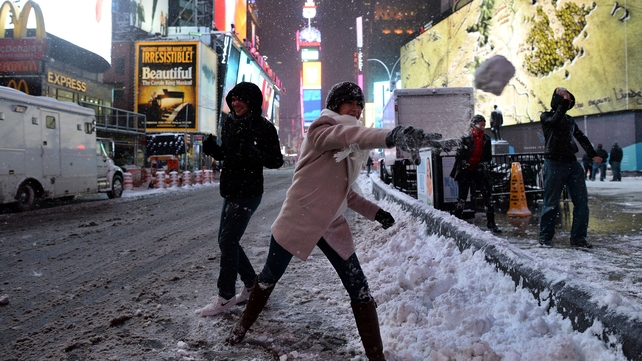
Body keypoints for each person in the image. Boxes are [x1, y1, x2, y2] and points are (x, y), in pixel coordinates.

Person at [226, 81, 444, 360]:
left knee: (359, 288)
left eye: (359, 105)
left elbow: (344, 191)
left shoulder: (349, 149)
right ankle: (241, 327)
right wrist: (392, 136)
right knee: (268, 277)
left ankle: (376, 356)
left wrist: (376, 212)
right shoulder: (322, 130)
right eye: (349, 103)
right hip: (299, 219)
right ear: (335, 105)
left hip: (331, 224)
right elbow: (347, 134)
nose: (355, 109)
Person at [196, 82, 284, 316]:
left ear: (252, 102)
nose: (235, 103)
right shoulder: (229, 123)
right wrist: (214, 150)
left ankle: (225, 296)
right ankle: (250, 285)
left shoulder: (263, 127)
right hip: (230, 189)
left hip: (249, 191)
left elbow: (276, 160)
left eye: (240, 99)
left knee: (228, 240)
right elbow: (228, 154)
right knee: (226, 240)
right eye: (233, 99)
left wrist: (255, 154)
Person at [539, 87, 603, 248]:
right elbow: (555, 120)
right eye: (565, 101)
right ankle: (545, 237)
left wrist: (592, 153)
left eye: (569, 102)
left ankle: (578, 238)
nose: (568, 103)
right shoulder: (546, 116)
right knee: (551, 202)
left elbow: (581, 137)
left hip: (571, 163)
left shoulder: (569, 120)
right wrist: (563, 101)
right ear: (558, 102)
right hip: (553, 162)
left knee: (581, 202)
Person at [450, 115, 502, 233]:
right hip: (465, 170)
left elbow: (488, 157)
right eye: (480, 124)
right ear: (474, 124)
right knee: (462, 197)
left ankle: (491, 223)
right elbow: (459, 155)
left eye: (484, 124)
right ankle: (456, 220)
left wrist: (482, 165)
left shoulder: (486, 139)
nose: (483, 126)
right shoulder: (465, 138)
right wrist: (466, 164)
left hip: (479, 170)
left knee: (488, 196)